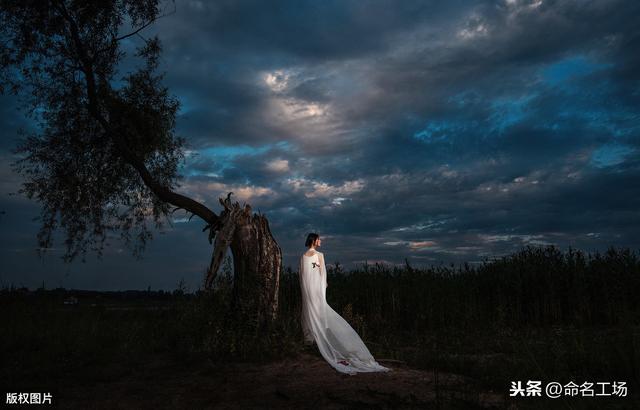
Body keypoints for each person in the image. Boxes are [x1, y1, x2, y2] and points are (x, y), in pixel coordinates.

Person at [298, 232, 392, 375]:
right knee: (322, 314)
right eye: (319, 239)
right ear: (314, 240)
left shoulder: (303, 257)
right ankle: (326, 342)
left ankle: (315, 341)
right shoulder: (319, 256)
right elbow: (323, 276)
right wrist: (322, 290)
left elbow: (302, 277)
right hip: (317, 291)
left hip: (308, 292)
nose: (321, 241)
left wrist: (307, 293)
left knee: (313, 314)